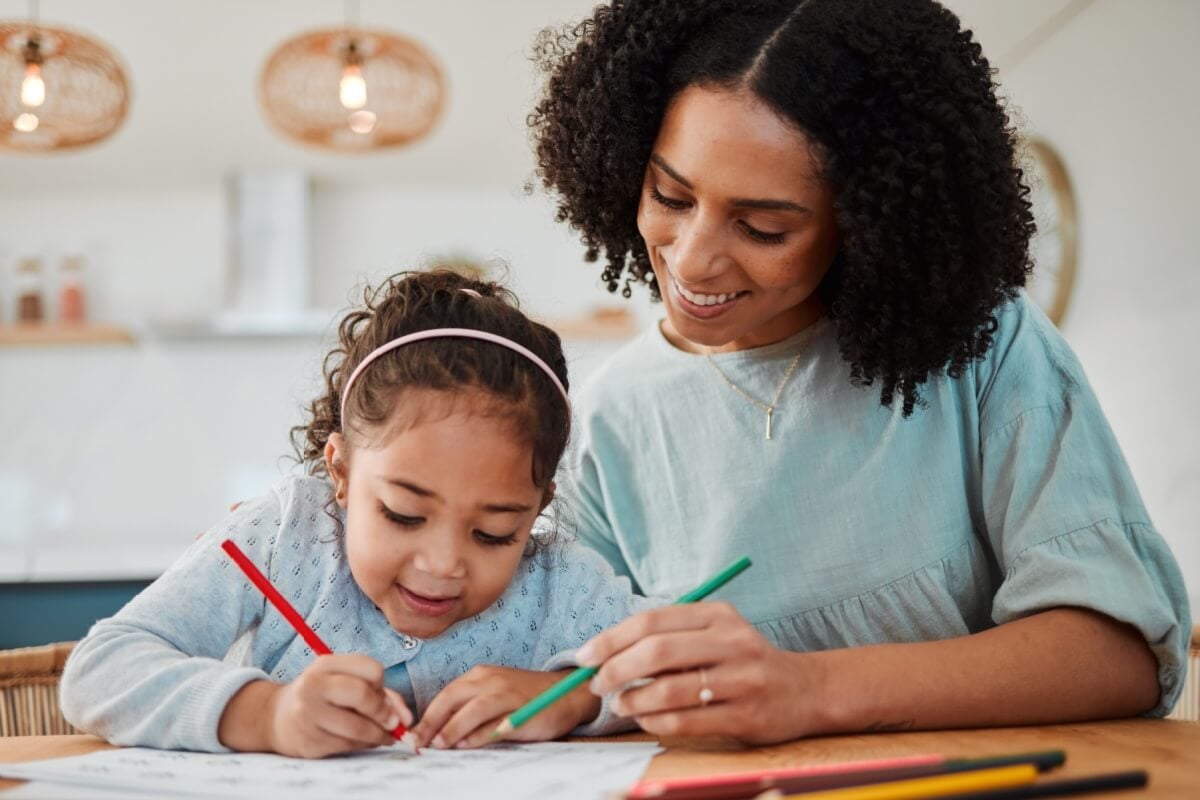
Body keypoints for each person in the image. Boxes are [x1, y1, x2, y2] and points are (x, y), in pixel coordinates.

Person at [527, 0, 1191, 744]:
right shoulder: (610, 416)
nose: (690, 259)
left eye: (764, 227)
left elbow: (1121, 654)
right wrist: (561, 693)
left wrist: (811, 691)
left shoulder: (981, 348)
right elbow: (596, 670)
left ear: (867, 220)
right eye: (670, 196)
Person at [60, 269, 660, 757]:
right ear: (341, 472)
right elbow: (100, 670)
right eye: (402, 514)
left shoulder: (559, 580)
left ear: (536, 511)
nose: (444, 564)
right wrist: (267, 715)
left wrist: (570, 695)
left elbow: (669, 671)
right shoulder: (280, 535)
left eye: (494, 532)